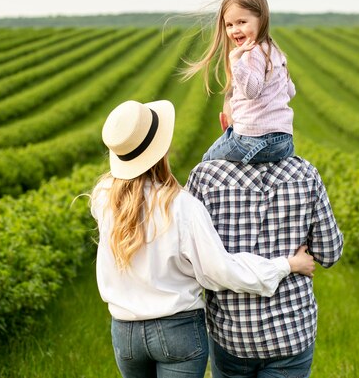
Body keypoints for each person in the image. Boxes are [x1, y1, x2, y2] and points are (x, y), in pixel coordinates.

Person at [89, 99, 316, 378]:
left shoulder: (103, 198)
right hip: (177, 330)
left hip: (124, 334)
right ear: (162, 149)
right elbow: (220, 271)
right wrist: (287, 265)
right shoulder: (181, 206)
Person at [185, 106, 344, 377]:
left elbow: (189, 257)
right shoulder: (306, 174)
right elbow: (329, 253)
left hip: (232, 334)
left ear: (225, 122)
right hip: (291, 333)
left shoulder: (205, 177)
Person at [182, 0, 296, 165]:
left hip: (254, 140)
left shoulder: (252, 53)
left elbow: (252, 91)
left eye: (242, 22)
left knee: (207, 161)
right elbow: (290, 92)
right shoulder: (275, 52)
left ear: (262, 19)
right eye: (229, 25)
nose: (234, 30)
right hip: (284, 141)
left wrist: (236, 61)